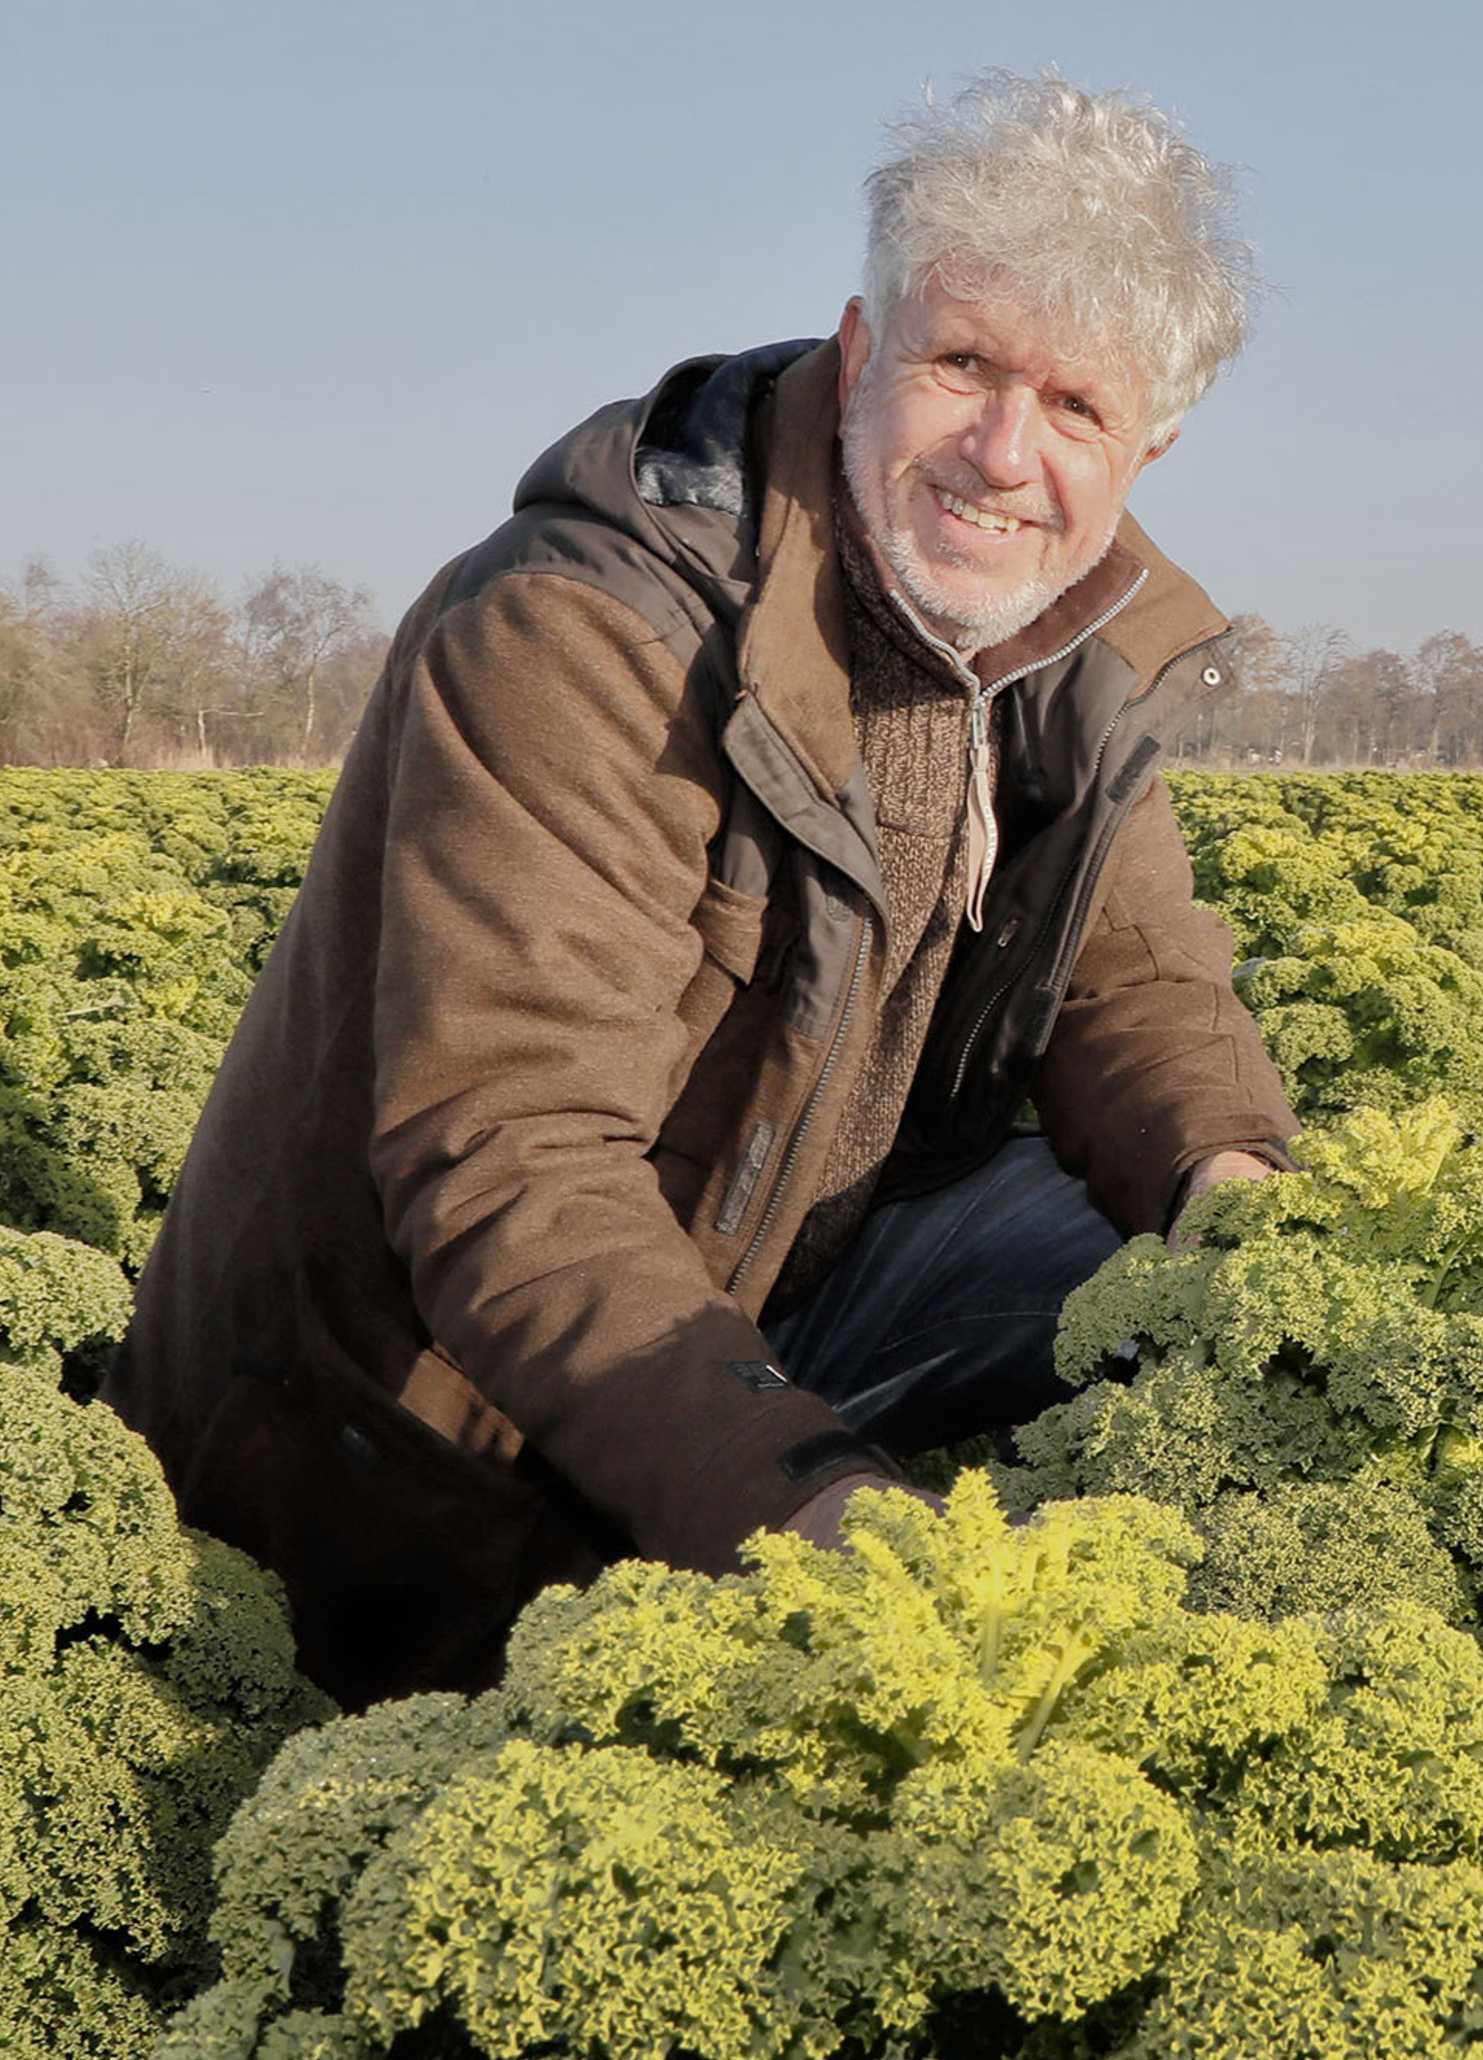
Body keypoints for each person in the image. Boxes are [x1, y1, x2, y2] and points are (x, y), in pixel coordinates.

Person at [105, 73, 1299, 1708]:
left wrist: (1242, 1198)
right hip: (427, 1438)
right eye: (964, 366)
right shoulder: (582, 632)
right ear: (864, 348)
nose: (1005, 455)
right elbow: (512, 1158)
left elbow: (1133, 977)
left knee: (1190, 1269)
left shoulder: (1044, 630)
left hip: (759, 1281)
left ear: (1148, 443)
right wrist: (814, 1507)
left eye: (1076, 408)